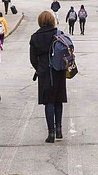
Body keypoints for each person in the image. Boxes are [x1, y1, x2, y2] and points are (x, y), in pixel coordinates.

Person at [30, 11, 70, 143]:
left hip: (44, 71)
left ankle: (51, 133)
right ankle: (59, 129)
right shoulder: (58, 34)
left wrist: (39, 68)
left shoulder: (35, 37)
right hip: (58, 70)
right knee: (58, 100)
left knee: (48, 102)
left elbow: (32, 59)